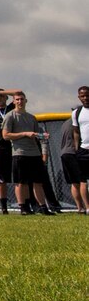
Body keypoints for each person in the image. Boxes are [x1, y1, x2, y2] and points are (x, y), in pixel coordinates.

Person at [1, 90, 54, 215]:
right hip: (19, 153)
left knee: (38, 181)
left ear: (26, 101)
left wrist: (43, 136)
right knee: (21, 182)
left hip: (34, 153)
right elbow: (5, 135)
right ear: (13, 101)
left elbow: (36, 135)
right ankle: (23, 207)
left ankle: (43, 207)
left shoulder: (31, 117)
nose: (20, 102)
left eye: (22, 99)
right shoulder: (10, 116)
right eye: (17, 99)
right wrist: (24, 134)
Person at [62, 84, 89, 215]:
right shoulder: (76, 113)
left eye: (87, 95)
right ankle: (86, 208)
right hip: (83, 150)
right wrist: (77, 148)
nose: (85, 98)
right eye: (82, 96)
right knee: (82, 180)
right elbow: (76, 131)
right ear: (79, 97)